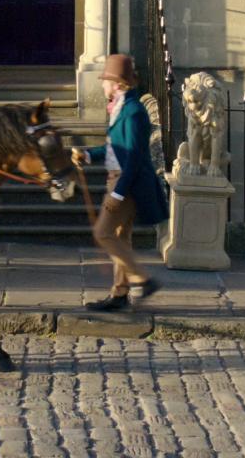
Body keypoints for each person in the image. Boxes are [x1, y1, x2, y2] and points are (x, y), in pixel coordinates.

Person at [71, 54, 165, 312]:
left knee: (103, 232)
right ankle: (120, 293)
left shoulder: (134, 112)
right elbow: (116, 147)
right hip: (120, 180)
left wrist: (118, 195)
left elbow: (133, 159)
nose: (102, 84)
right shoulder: (122, 107)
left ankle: (142, 279)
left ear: (118, 83)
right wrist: (88, 154)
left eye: (105, 80)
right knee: (121, 238)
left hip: (127, 184)